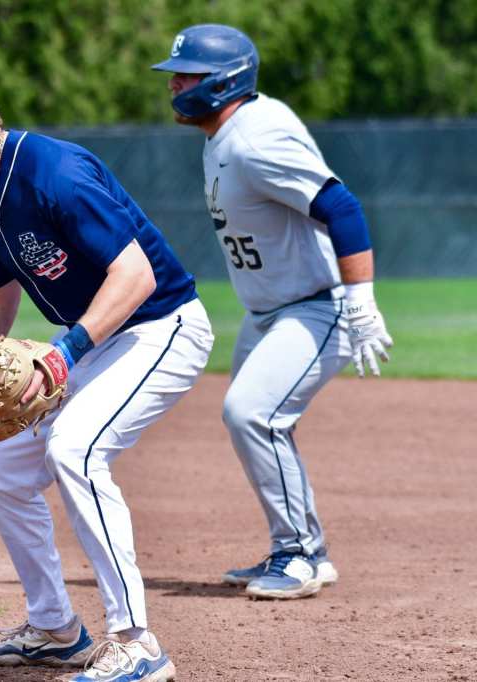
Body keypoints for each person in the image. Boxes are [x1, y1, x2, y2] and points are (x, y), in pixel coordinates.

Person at [0, 53, 213, 682]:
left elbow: (136, 276)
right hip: (93, 339)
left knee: (75, 449)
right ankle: (55, 628)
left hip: (160, 325)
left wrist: (64, 353)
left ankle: (136, 641)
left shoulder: (53, 171)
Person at [151, 25, 393, 600]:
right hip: (269, 312)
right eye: (175, 75)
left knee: (252, 414)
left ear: (224, 82)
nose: (175, 85)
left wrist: (360, 301)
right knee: (255, 423)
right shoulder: (224, 134)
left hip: (316, 305)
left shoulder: (254, 139)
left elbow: (341, 206)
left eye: (187, 75)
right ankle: (300, 549)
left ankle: (301, 555)